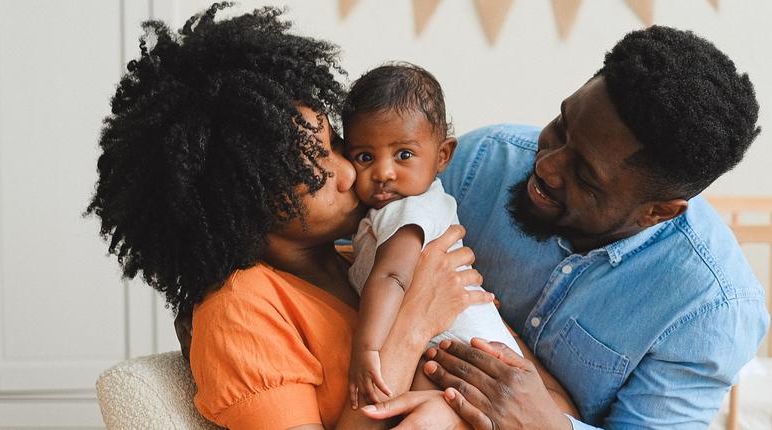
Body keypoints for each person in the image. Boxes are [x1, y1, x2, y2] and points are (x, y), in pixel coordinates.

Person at [89, 4, 576, 429]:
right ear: (246, 205)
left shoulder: (367, 253)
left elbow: (548, 403)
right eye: (318, 174)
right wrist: (414, 323)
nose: (351, 174)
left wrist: (448, 410)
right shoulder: (240, 308)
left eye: (338, 146)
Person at [361, 26, 770, 429]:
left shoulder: (712, 307)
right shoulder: (480, 163)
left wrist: (547, 425)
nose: (546, 165)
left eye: (585, 175)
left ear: (657, 212)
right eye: (561, 127)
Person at [341, 63, 521, 407]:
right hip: (466, 353)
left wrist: (366, 349)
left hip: (466, 352)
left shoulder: (407, 209)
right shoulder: (401, 208)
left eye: (403, 154)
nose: (383, 172)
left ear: (442, 155)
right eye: (365, 157)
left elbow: (393, 276)